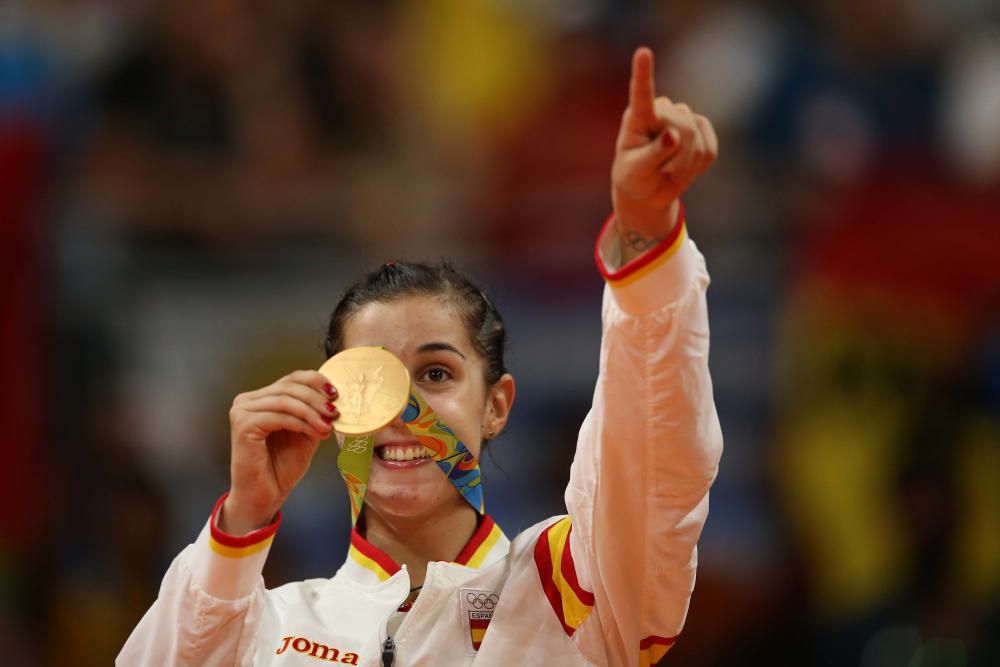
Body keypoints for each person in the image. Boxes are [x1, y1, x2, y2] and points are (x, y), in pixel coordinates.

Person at [118, 46, 722, 666]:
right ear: (331, 410)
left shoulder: (568, 592)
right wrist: (243, 521)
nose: (401, 409)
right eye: (369, 379)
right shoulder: (268, 627)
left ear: (495, 406)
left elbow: (650, 463)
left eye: (436, 374)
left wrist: (647, 235)